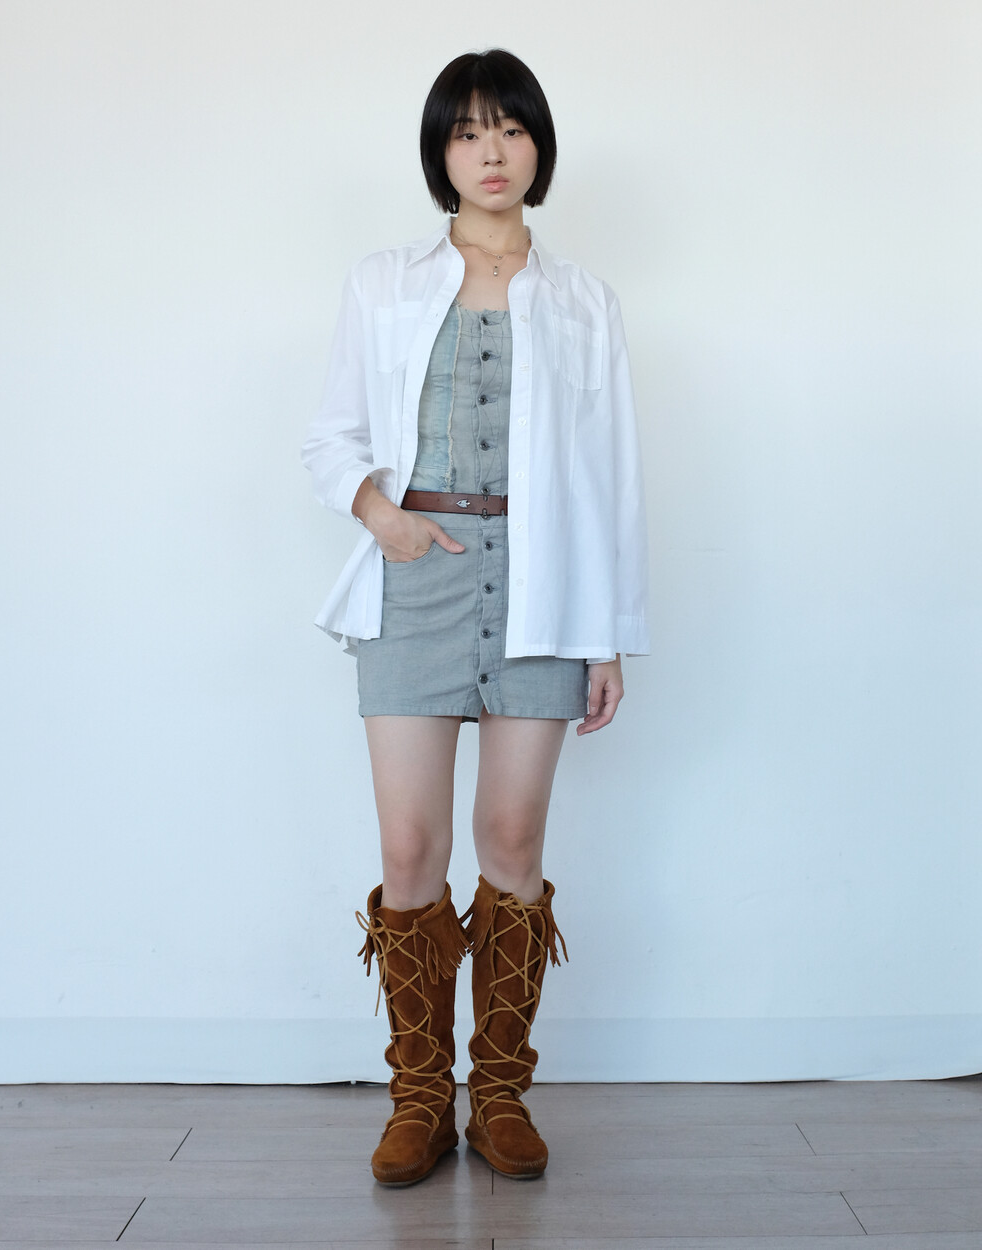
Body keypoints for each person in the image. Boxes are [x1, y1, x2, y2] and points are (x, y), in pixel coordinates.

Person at [302, 48, 650, 1187]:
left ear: (538, 146)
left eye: (509, 128)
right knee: (410, 846)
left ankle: (497, 1094)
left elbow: (610, 475)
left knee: (511, 841)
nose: (490, 151)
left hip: (544, 588)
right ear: (440, 153)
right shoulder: (383, 282)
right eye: (466, 132)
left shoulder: (585, 300)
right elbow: (332, 437)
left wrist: (606, 631)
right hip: (416, 578)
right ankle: (418, 1099)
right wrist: (382, 517)